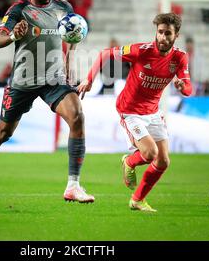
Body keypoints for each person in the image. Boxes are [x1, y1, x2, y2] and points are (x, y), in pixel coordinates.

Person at [0, 0, 94, 203]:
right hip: (23, 82)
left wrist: (69, 69)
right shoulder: (19, 9)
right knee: (2, 134)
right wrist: (14, 35)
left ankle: (73, 185)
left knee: (77, 116)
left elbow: (72, 38)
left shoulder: (63, 8)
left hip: (53, 80)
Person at [77, 13, 192, 212]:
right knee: (149, 153)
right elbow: (105, 53)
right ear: (156, 32)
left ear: (176, 35)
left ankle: (137, 200)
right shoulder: (141, 51)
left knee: (163, 161)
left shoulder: (180, 57)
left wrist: (183, 86)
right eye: (160, 32)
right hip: (130, 110)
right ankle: (129, 161)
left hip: (153, 112)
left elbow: (188, 89)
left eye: (168, 34)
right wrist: (88, 79)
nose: (163, 37)